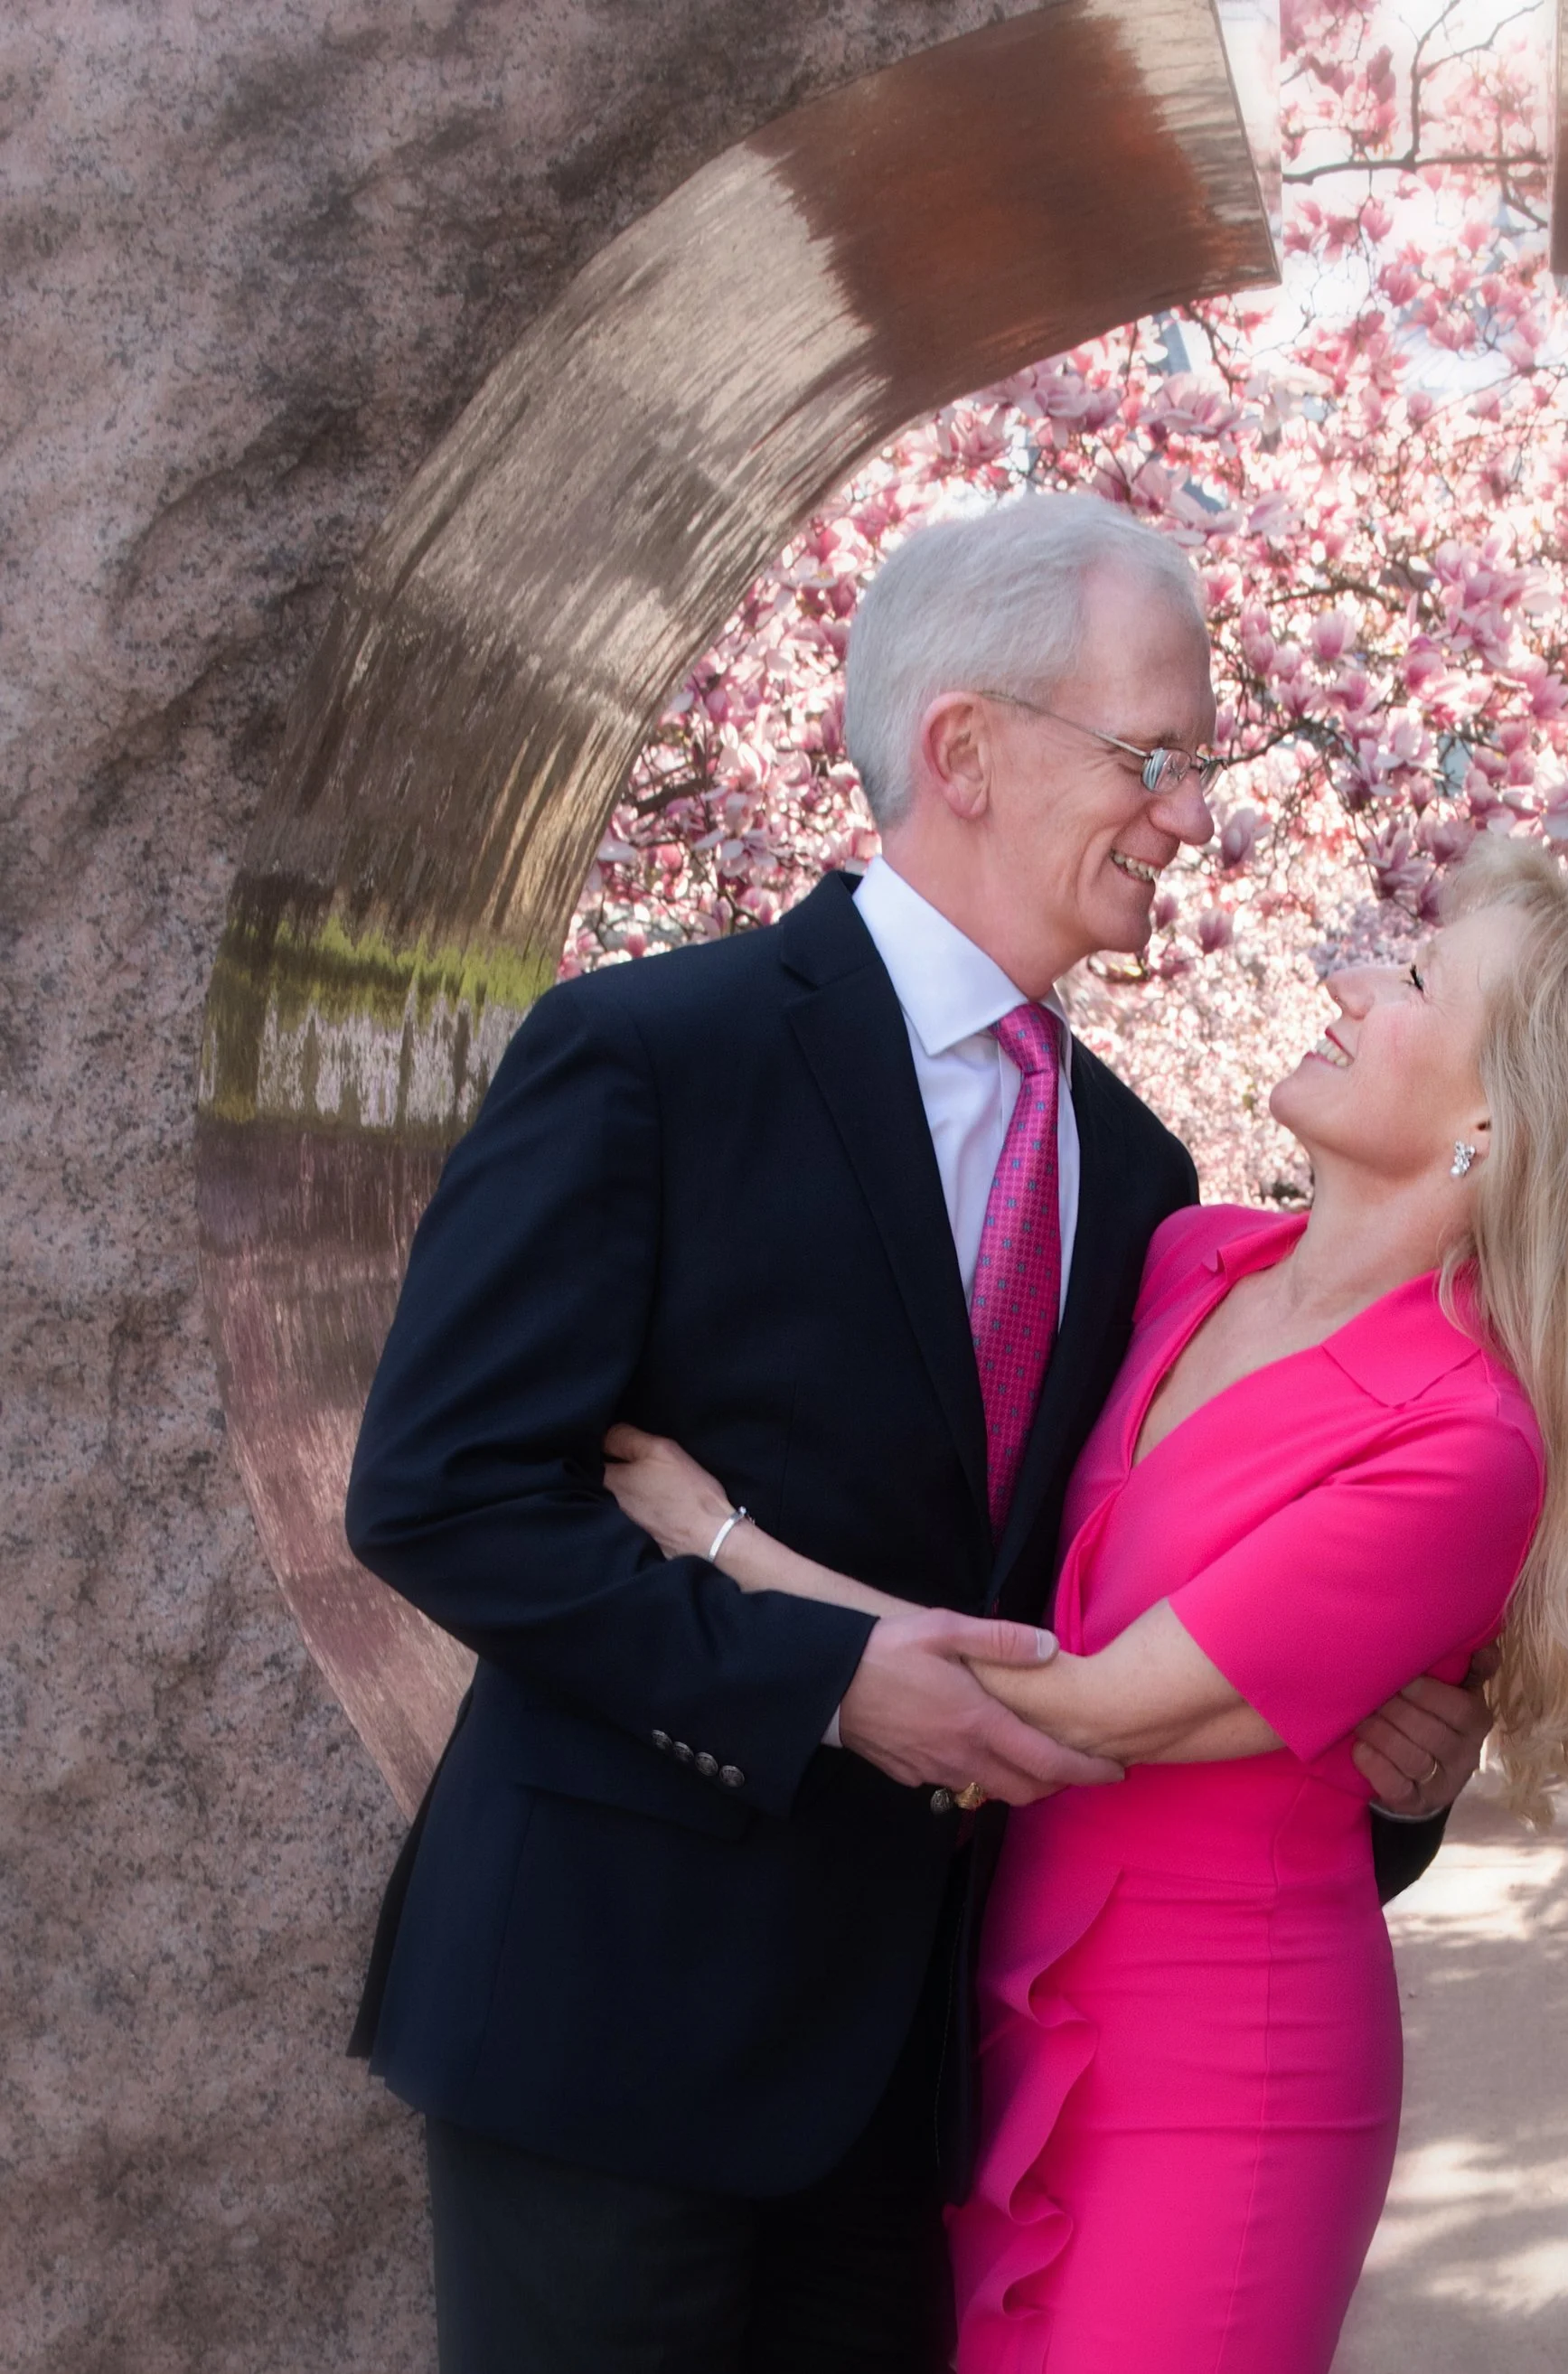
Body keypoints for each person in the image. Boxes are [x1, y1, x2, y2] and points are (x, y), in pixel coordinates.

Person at [341, 492, 1494, 2374]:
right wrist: (817, 1676)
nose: (1190, 816)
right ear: (963, 746)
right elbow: (440, 1492)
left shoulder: (1140, 1175)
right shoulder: (650, 1055)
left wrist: (1378, 1755)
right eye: (1154, 754)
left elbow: (1114, 1616)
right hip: (607, 2017)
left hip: (919, 2081)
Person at [606, 832, 1568, 2372]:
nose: (1351, 978)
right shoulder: (1189, 1256)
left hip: (1222, 2076)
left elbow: (1092, 1709)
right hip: (1008, 2009)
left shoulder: (1464, 1437)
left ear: (1498, 1123)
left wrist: (723, 1543)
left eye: (1416, 976)